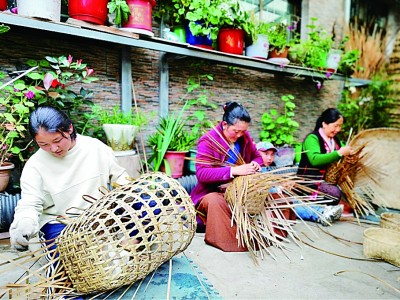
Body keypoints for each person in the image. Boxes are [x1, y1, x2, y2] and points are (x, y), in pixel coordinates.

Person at [10, 106, 131, 252]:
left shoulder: (96, 148)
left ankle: (133, 245)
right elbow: (29, 204)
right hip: (60, 222)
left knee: (147, 209)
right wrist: (24, 225)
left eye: (57, 140)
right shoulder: (34, 166)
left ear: (69, 129)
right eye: (44, 145)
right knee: (68, 254)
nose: (54, 148)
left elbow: (122, 181)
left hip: (99, 217)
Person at [190, 102, 263, 252]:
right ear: (224, 124)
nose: (240, 135)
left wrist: (256, 164)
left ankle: (259, 235)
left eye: (243, 132)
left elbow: (257, 156)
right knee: (216, 202)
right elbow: (202, 173)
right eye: (236, 131)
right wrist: (233, 171)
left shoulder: (244, 137)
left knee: (269, 195)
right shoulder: (208, 140)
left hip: (239, 189)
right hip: (212, 192)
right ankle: (231, 241)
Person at [256, 141, 343, 225]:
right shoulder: (256, 169)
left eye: (272, 154)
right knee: (290, 203)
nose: (270, 158)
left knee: (294, 200)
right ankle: (321, 214)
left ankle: (322, 210)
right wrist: (279, 188)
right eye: (266, 154)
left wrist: (282, 184)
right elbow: (264, 189)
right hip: (263, 203)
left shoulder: (266, 169)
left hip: (274, 198)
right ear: (256, 153)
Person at [296, 108, 352, 223]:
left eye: (340, 126)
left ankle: (324, 208)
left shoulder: (335, 140)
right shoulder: (312, 138)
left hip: (326, 181)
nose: (338, 129)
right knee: (335, 194)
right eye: (335, 126)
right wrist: (339, 153)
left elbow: (343, 152)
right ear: (324, 124)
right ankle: (319, 209)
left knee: (340, 195)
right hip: (308, 182)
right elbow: (315, 160)